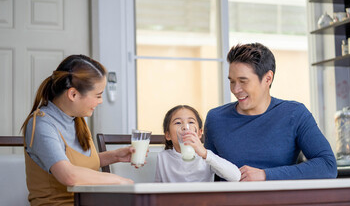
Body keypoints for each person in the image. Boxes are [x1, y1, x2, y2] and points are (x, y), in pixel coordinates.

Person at [204, 43, 337, 181]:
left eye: (243, 81)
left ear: (268, 78)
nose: (236, 89)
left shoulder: (295, 114)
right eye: (232, 81)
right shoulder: (215, 119)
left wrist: (265, 175)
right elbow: (206, 175)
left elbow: (328, 166)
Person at [21, 55, 134, 206]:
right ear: (73, 94)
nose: (101, 101)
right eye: (98, 95)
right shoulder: (42, 125)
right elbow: (69, 175)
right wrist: (121, 181)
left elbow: (77, 164)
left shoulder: (77, 118)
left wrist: (115, 156)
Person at [155, 105, 241, 182]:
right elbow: (156, 189)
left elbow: (236, 176)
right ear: (168, 135)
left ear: (199, 133)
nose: (185, 127)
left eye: (191, 122)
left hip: (204, 200)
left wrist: (205, 154)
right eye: (178, 123)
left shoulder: (206, 157)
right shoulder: (163, 157)